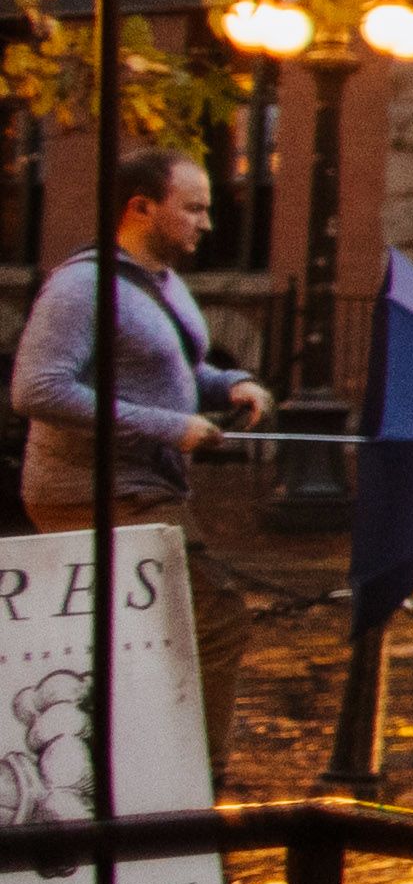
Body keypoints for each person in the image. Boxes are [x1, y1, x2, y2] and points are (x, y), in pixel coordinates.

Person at [16, 148, 274, 757]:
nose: (208, 223)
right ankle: (193, 786)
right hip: (92, 490)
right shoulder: (82, 286)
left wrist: (227, 385)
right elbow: (37, 388)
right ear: (141, 208)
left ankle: (128, 769)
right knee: (215, 619)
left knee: (130, 639)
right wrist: (168, 426)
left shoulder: (162, 281)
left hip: (143, 486)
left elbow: (172, 369)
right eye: (193, 209)